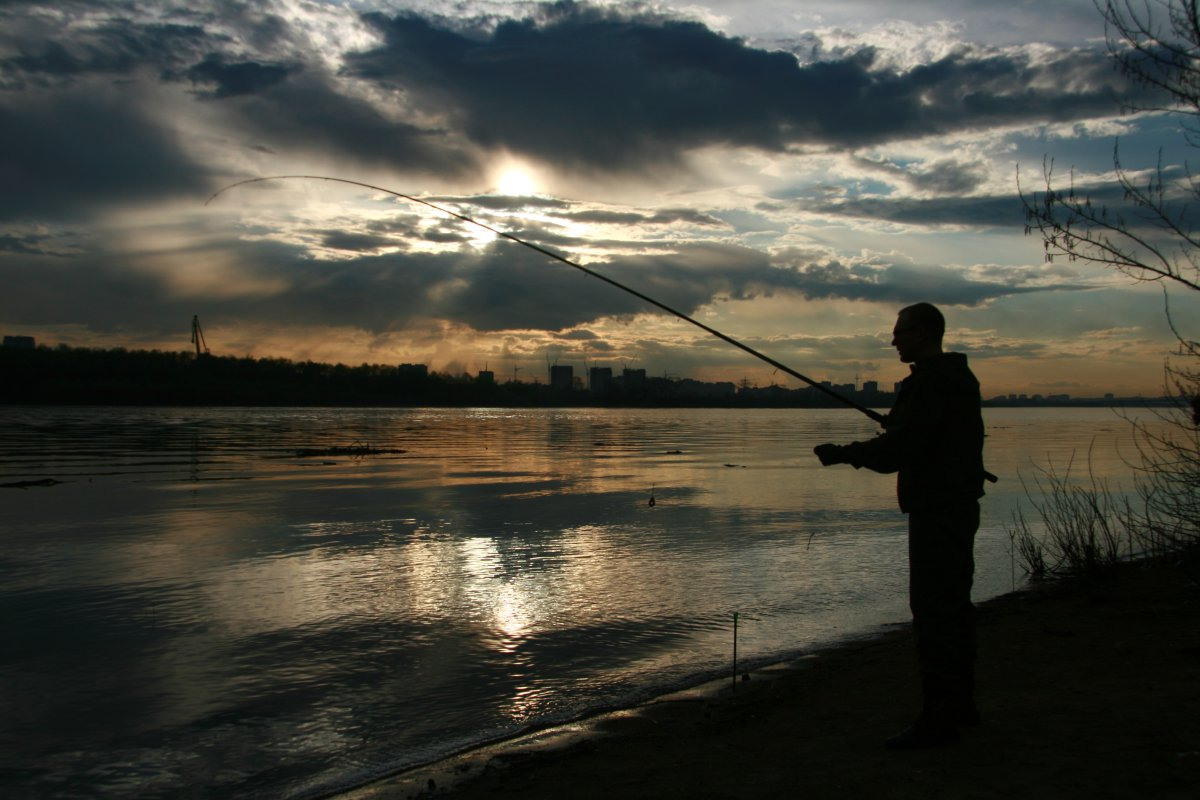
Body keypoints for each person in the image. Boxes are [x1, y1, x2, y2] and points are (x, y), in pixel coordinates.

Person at [814, 302, 986, 750]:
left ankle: (937, 721)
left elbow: (900, 452)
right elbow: (924, 437)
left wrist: (844, 453)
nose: (894, 340)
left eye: (901, 332)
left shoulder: (930, 382)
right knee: (955, 608)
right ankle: (961, 706)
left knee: (934, 613)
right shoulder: (958, 378)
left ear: (925, 333)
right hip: (958, 505)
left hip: (938, 508)